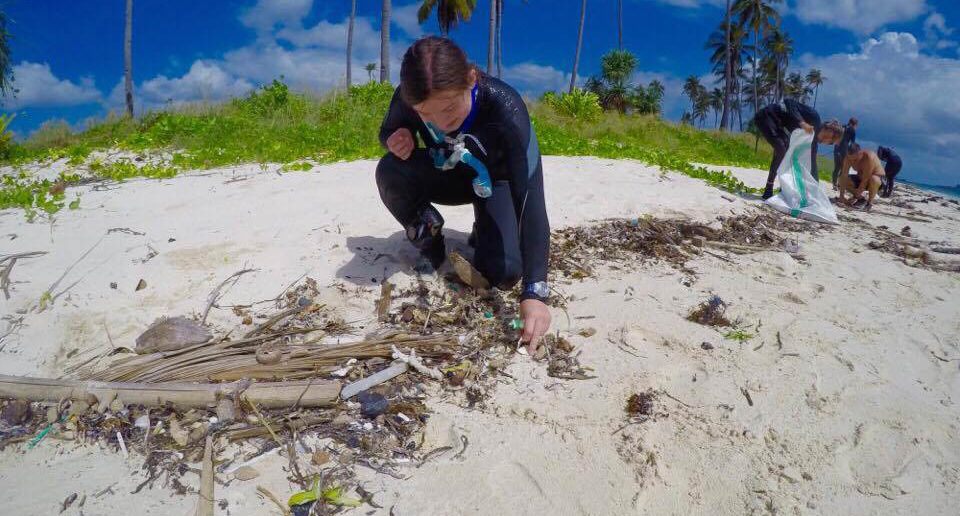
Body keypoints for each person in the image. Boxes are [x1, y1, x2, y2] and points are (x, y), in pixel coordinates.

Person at [376, 36, 551, 351]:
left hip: (494, 183)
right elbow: (386, 131)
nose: (441, 124)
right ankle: (432, 244)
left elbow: (531, 201)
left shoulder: (505, 107)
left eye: (449, 109)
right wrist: (394, 138)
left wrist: (535, 293)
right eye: (426, 116)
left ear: (471, 77)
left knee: (506, 272)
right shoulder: (407, 96)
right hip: (448, 173)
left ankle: (484, 228)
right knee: (389, 170)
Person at [753, 99, 844, 200]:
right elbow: (789, 102)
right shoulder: (814, 117)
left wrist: (816, 189)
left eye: (831, 144)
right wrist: (802, 123)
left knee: (786, 151)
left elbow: (812, 163)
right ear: (831, 131)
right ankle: (769, 188)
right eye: (831, 141)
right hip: (766, 116)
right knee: (781, 149)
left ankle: (775, 190)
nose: (828, 143)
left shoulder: (813, 140)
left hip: (777, 126)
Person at [837, 143, 884, 211]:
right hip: (860, 178)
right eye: (851, 159)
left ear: (860, 153)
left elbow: (865, 179)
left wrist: (855, 197)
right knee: (841, 179)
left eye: (855, 159)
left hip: (875, 180)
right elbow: (844, 175)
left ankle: (869, 203)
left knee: (874, 179)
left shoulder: (869, 157)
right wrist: (841, 196)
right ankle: (862, 199)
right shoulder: (848, 158)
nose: (852, 161)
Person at [832, 117, 858, 189]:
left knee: (836, 167)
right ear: (855, 124)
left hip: (836, 148)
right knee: (843, 168)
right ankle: (840, 184)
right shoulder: (853, 130)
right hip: (844, 150)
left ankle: (834, 183)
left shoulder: (842, 126)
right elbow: (852, 143)